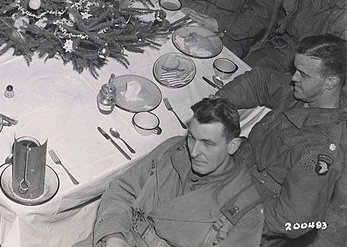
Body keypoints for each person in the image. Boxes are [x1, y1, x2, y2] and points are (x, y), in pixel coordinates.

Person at [217, 34, 346, 245]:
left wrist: (239, 216)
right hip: (235, 170)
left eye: (303, 74)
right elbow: (260, 81)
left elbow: (294, 220)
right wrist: (219, 102)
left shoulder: (320, 151)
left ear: (330, 82)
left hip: (252, 210)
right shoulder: (306, 94)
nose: (294, 78)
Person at [89, 97, 264, 247]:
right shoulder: (173, 150)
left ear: (232, 146)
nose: (194, 152)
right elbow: (122, 190)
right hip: (122, 233)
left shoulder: (246, 211)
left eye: (207, 143)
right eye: (191, 138)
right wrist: (113, 236)